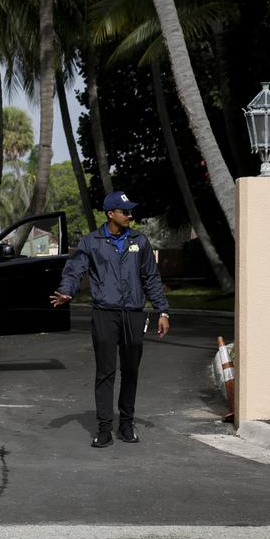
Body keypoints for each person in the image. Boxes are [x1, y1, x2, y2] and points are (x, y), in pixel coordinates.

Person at [50, 191, 170, 448]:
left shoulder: (140, 241)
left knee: (130, 371)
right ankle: (104, 428)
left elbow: (151, 277)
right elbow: (75, 270)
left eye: (130, 211)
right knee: (105, 372)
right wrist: (67, 290)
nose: (130, 215)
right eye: (125, 212)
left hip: (134, 315)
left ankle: (126, 424)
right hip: (105, 314)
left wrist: (163, 311)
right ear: (110, 214)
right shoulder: (92, 242)